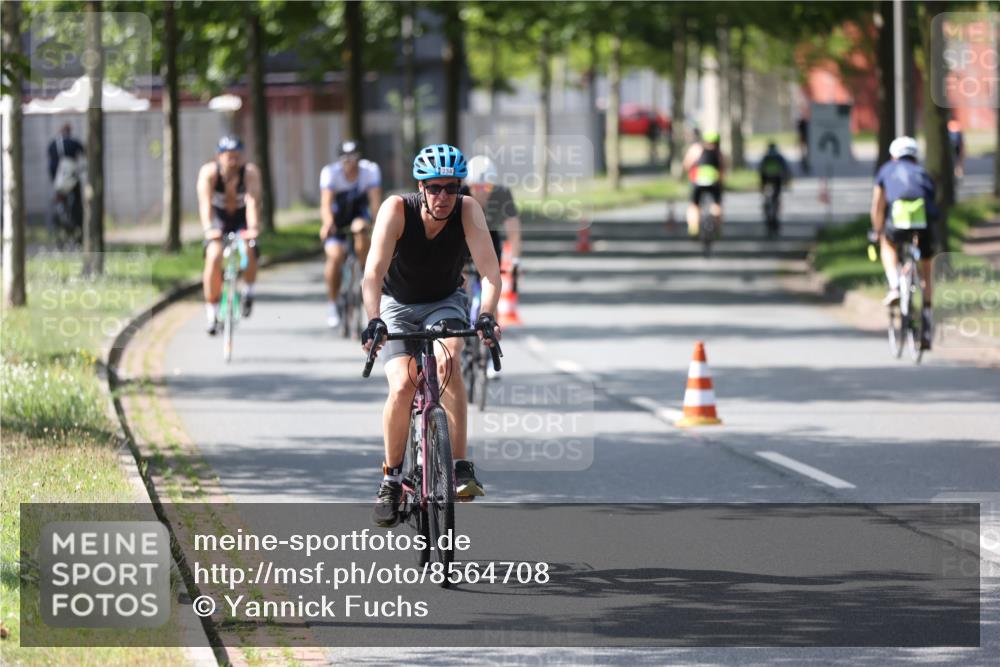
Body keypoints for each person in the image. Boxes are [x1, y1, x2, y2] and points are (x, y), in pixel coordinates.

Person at [361, 144, 502, 527]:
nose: (443, 197)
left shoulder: (468, 210)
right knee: (404, 385)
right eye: (435, 188)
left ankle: (458, 467)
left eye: (451, 188)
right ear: (420, 187)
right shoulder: (396, 209)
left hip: (444, 301)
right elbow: (372, 273)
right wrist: (374, 319)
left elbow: (490, 274)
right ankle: (391, 479)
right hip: (397, 306)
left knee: (447, 360)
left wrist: (487, 314)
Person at [869, 136, 937, 349]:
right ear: (915, 156)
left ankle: (895, 285)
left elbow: (878, 205)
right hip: (923, 223)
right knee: (926, 265)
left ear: (893, 155)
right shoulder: (923, 173)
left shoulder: (886, 170)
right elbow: (932, 202)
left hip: (896, 223)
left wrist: (877, 230)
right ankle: (926, 317)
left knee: (887, 244)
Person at [197, 135, 262, 335]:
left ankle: (248, 292)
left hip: (241, 220)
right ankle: (212, 312)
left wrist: (253, 228)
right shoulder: (209, 173)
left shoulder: (249, 173)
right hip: (218, 221)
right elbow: (205, 204)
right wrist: (209, 228)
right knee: (214, 256)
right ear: (219, 156)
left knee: (250, 248)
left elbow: (252, 202)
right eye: (229, 156)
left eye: (237, 156)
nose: (233, 161)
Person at [319, 140, 383, 328]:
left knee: (360, 230)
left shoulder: (370, 171)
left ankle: (364, 272)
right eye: (345, 160)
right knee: (335, 257)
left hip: (358, 215)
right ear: (340, 160)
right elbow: (326, 203)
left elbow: (374, 202)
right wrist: (328, 223)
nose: (350, 163)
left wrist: (378, 223)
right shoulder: (330, 173)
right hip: (338, 218)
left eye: (354, 158)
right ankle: (332, 303)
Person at [460, 155, 522, 279]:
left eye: (487, 186)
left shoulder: (502, 193)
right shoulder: (461, 194)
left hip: (489, 235)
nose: (481, 191)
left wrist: (515, 261)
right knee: (461, 279)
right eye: (477, 187)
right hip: (463, 237)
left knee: (492, 276)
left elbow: (513, 230)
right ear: (469, 184)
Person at [682, 129, 725, 238]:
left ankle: (693, 228)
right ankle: (717, 228)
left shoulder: (696, 149)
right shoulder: (718, 152)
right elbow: (722, 169)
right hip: (714, 182)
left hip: (697, 182)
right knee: (716, 204)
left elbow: (687, 164)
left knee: (694, 205)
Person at [47, 123, 85, 239]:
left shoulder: (52, 145)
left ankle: (58, 221)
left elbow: (50, 164)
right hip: (72, 181)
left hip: (58, 181)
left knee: (58, 201)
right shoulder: (74, 143)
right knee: (77, 204)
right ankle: (79, 228)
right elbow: (85, 153)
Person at [758, 141, 791, 225]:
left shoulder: (766, 156)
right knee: (776, 197)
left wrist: (761, 184)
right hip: (777, 178)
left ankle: (766, 208)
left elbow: (761, 169)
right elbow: (785, 169)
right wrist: (787, 181)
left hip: (766, 178)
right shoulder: (779, 157)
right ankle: (775, 212)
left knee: (766, 195)